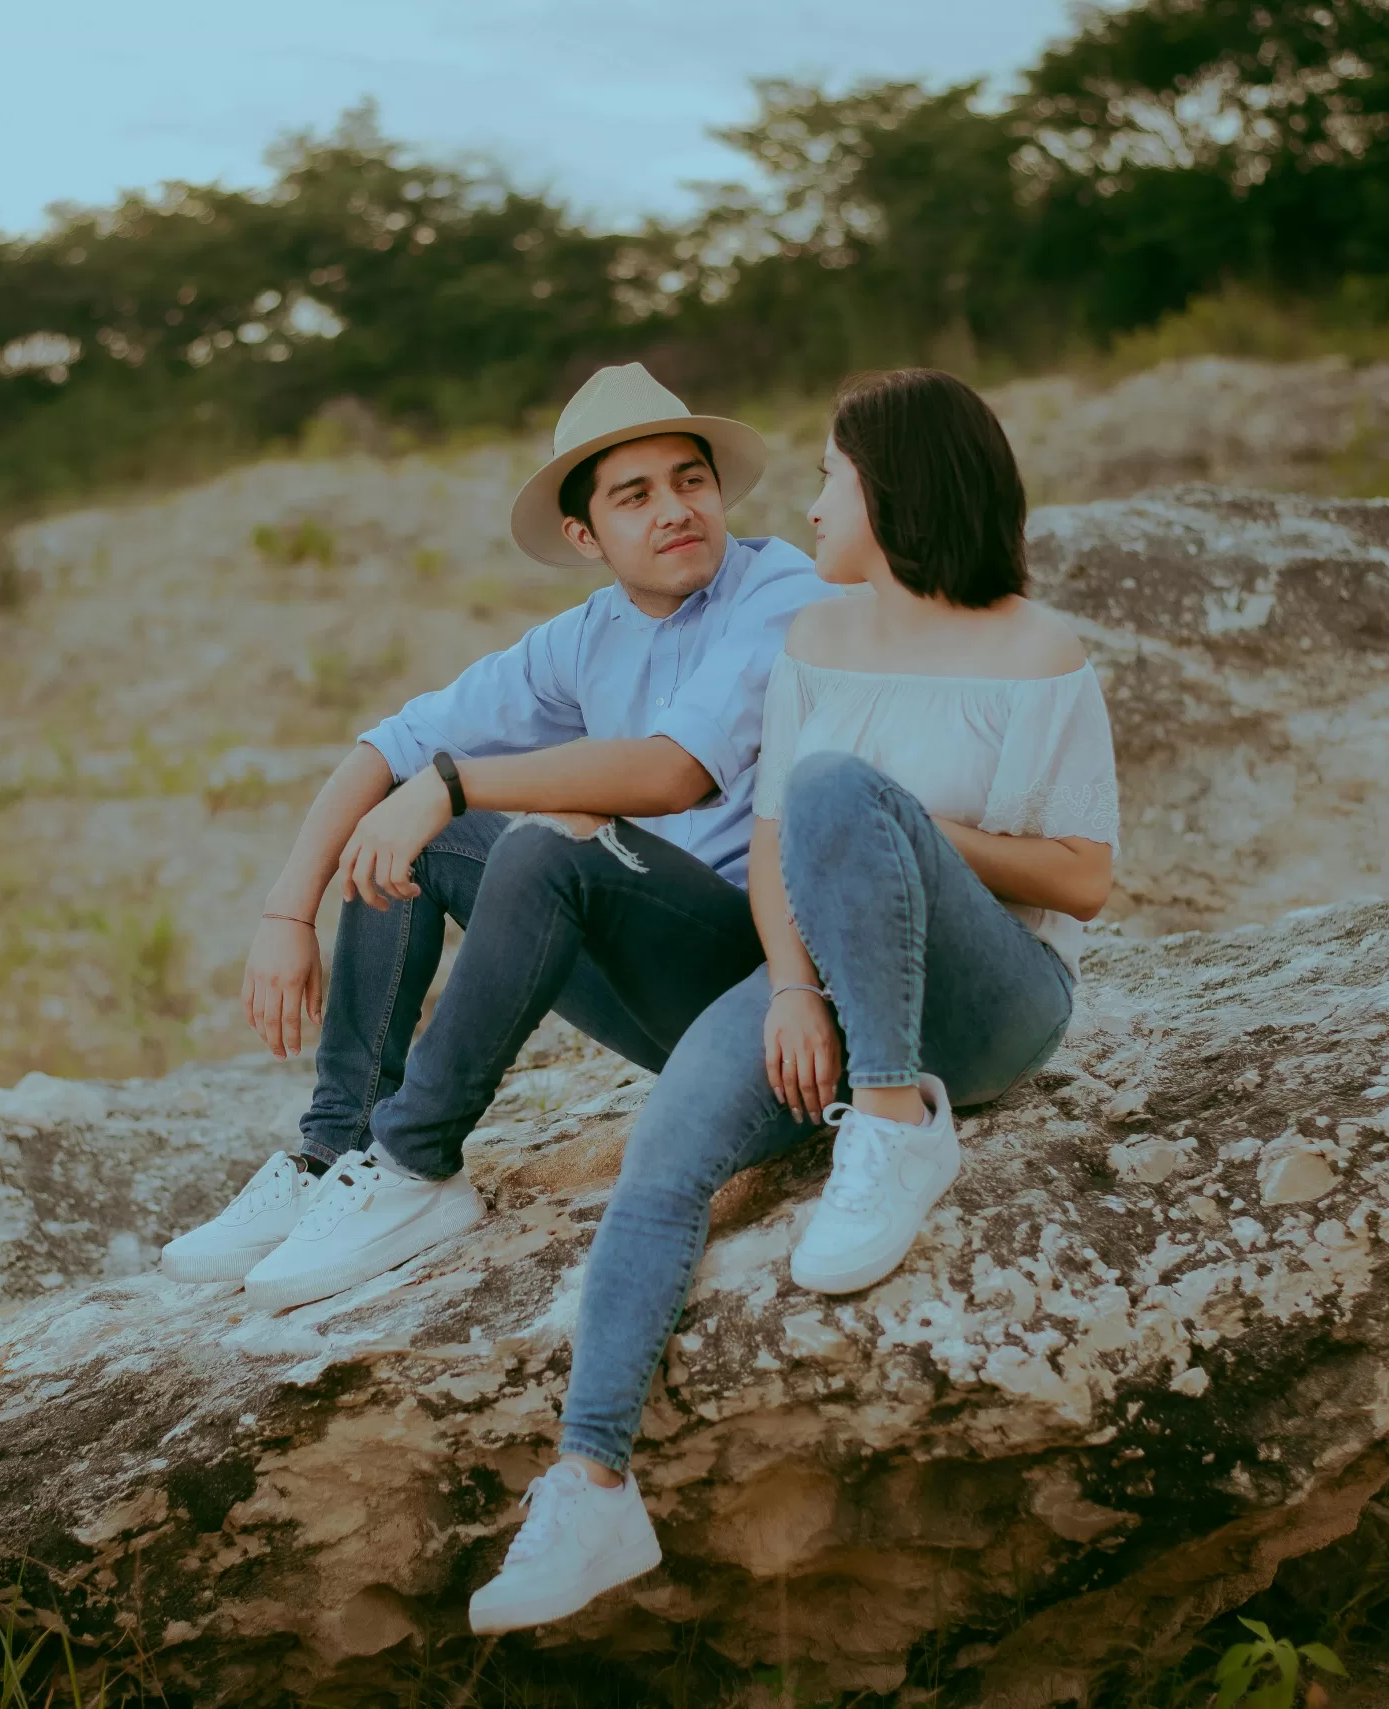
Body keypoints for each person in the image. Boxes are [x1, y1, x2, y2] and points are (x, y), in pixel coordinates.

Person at [465, 368, 1120, 1634]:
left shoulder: (1037, 652)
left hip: (989, 1002)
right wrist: (790, 986)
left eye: (829, 475)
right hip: (824, 975)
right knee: (662, 1164)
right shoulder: (814, 638)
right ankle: (591, 1480)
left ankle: (894, 1121)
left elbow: (1083, 880)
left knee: (835, 786)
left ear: (896, 488)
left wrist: (905, 826)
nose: (808, 505)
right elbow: (771, 849)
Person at [159, 362, 838, 1313]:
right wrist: (286, 909)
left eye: (690, 481)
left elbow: (674, 769)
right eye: (634, 496)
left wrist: (452, 784)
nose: (676, 510)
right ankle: (337, 1151)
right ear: (584, 533)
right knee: (432, 835)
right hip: (662, 993)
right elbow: (391, 744)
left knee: (542, 841)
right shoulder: (585, 636)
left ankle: (417, 1162)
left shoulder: (782, 592)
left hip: (764, 986)